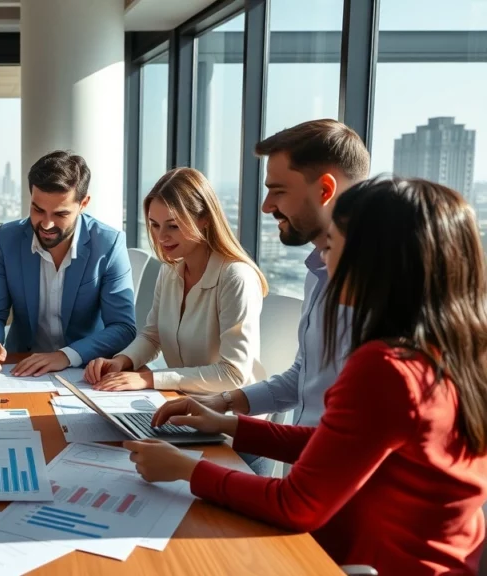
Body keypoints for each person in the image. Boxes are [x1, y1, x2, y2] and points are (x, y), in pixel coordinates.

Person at [128, 178, 487, 575]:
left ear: (374, 261)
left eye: (331, 247)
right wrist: (228, 423)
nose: (325, 265)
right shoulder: (453, 351)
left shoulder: (387, 368)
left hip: (360, 563)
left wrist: (185, 469)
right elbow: (334, 443)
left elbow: (295, 504)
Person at [176, 119, 369, 428]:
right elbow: (303, 377)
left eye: (277, 192)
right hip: (301, 459)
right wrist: (222, 403)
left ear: (325, 189)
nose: (266, 207)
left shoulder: (370, 293)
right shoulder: (317, 272)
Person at [83, 167, 267, 393]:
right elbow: (153, 335)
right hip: (180, 402)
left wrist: (149, 379)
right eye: (154, 225)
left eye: (173, 226)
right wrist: (122, 361)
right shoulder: (170, 270)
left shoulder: (236, 277)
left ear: (204, 220)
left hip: (227, 413)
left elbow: (233, 374)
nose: (161, 237)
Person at [0, 150, 136, 376]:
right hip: (21, 367)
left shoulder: (108, 244)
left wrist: (65, 355)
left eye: (60, 214)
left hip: (83, 369)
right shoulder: (8, 238)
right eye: (38, 210)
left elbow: (123, 327)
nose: (46, 224)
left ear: (84, 203)